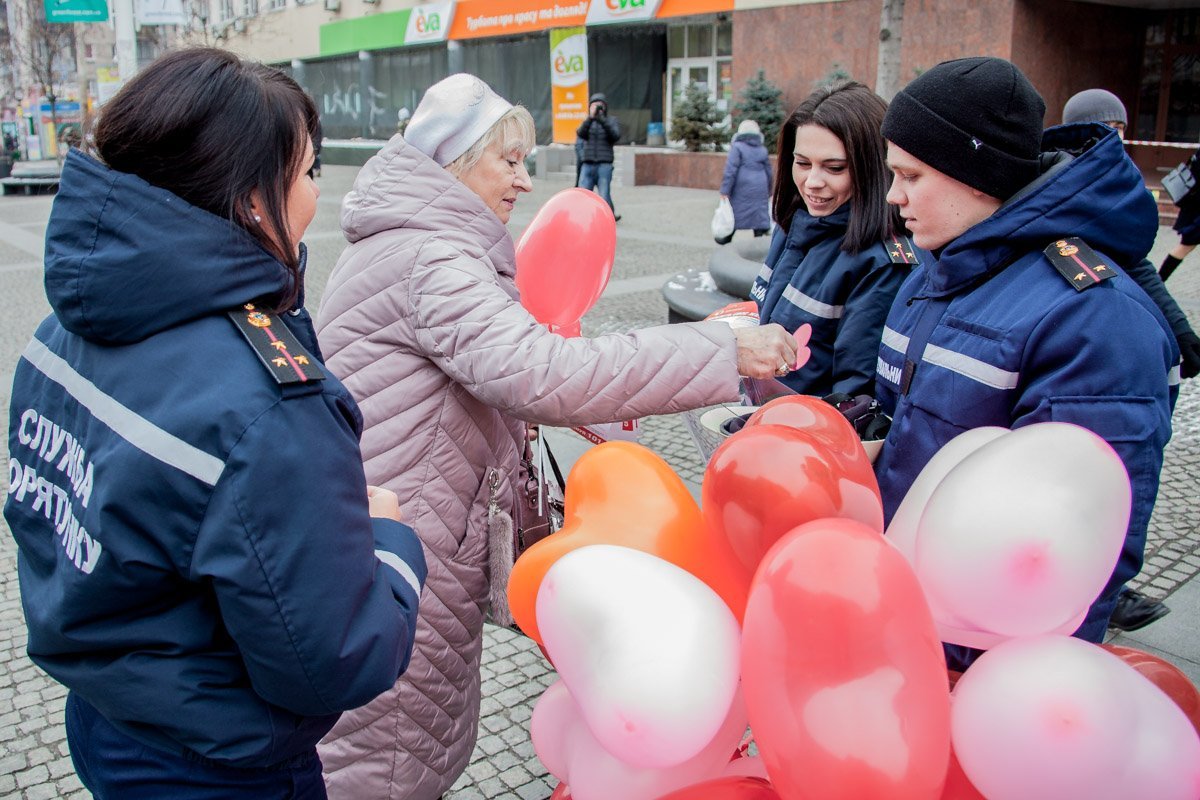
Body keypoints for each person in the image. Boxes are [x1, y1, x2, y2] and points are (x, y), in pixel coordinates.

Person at [313, 73, 798, 800]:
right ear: (454, 160)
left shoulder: (415, 242)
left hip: (401, 525)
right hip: (410, 531)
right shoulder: (432, 258)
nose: (522, 180)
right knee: (388, 756)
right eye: (506, 160)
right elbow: (539, 371)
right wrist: (718, 354)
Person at [2, 48, 428, 799]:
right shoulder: (265, 404)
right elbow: (336, 658)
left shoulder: (60, 331)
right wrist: (390, 546)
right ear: (249, 200)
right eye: (308, 173)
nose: (315, 196)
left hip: (106, 722)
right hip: (217, 765)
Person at [875, 57, 1179, 671]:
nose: (893, 197)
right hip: (904, 614)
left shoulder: (1094, 319)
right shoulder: (932, 273)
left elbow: (1082, 546)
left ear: (977, 175)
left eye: (911, 176)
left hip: (979, 655)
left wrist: (993, 676)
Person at [1061, 86, 1198, 630]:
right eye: (1110, 130)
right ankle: (1101, 597)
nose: (1118, 140)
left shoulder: (1105, 186)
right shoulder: (1084, 188)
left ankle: (1106, 591)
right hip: (1093, 354)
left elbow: (1136, 262)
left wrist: (1180, 329)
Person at [750, 80, 920, 398]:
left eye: (834, 168)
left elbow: (855, 393)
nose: (812, 182)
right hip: (762, 419)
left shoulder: (882, 261)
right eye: (802, 163)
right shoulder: (792, 227)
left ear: (871, 169)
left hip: (807, 435)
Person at [716, 118, 773, 245]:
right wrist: (770, 190)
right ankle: (759, 241)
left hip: (742, 185)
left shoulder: (737, 147)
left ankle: (726, 237)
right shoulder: (762, 149)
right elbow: (769, 171)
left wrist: (725, 190)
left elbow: (730, 170)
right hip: (760, 184)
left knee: (736, 211)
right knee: (758, 212)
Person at [576, 91, 621, 220]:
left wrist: (602, 120)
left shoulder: (611, 120)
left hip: (604, 165)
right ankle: (583, 218)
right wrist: (591, 118)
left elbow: (615, 136)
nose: (597, 108)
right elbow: (580, 133)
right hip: (587, 164)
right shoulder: (588, 122)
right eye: (594, 105)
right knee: (583, 195)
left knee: (604, 195)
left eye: (600, 105)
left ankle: (606, 219)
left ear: (605, 107)